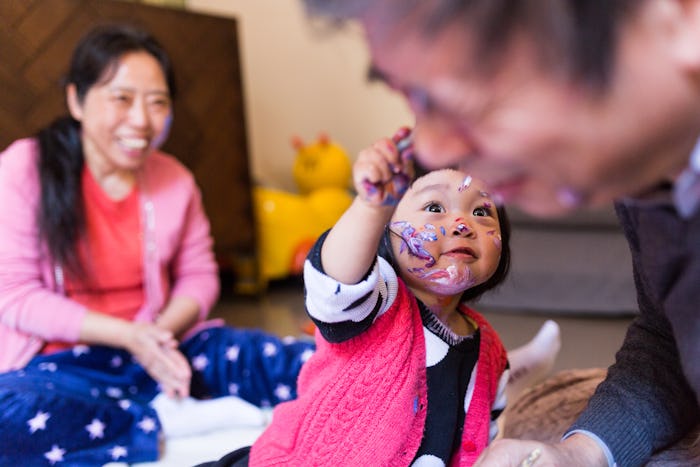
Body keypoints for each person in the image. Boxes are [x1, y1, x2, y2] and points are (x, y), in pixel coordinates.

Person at [299, 1, 700, 466]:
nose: (431, 147)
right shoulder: (651, 185)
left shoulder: (484, 348)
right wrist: (580, 453)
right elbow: (672, 340)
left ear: (678, 15)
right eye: (416, 99)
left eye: (461, 94)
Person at [0, 24, 314, 465]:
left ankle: (411, 373)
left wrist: (159, 336)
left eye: (158, 102)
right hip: (65, 367)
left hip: (166, 346)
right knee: (8, 418)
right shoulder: (23, 168)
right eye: (122, 98)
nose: (143, 121)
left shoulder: (175, 179)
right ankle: (158, 424)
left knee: (278, 358)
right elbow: (14, 295)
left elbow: (200, 277)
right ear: (76, 99)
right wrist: (132, 337)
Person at [200, 128, 527, 466]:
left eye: (481, 212)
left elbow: (479, 442)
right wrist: (371, 208)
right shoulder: (378, 298)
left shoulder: (490, 352)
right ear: (385, 231)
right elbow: (334, 283)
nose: (462, 224)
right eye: (434, 206)